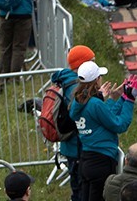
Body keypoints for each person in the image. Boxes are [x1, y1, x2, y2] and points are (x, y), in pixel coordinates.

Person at [70, 61, 137, 201]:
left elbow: (105, 116)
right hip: (101, 161)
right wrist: (130, 100)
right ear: (97, 80)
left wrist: (120, 98)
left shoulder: (79, 102)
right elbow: (119, 124)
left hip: (86, 160)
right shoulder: (95, 104)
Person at [51, 45, 96, 201]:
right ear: (82, 64)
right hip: (76, 146)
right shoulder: (75, 87)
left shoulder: (67, 80)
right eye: (92, 61)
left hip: (72, 145)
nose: (95, 64)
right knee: (80, 190)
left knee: (78, 187)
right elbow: (82, 114)